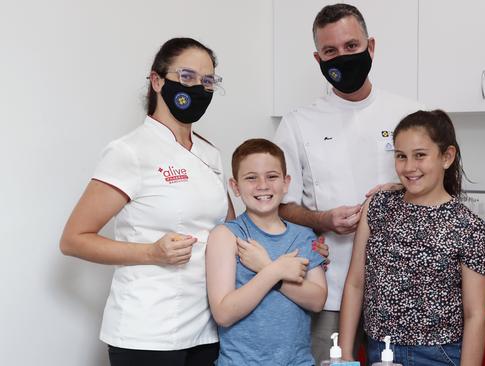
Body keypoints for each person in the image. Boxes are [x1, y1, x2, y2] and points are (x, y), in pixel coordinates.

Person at [59, 37, 234, 366]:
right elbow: (73, 240)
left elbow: (229, 231)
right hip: (147, 332)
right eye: (187, 77)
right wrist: (150, 252)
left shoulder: (211, 154)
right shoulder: (130, 151)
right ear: (157, 81)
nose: (199, 87)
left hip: (207, 329)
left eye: (207, 81)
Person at [273, 4, 424, 363]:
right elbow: (280, 207)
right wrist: (322, 220)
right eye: (330, 51)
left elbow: (440, 191)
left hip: (400, 289)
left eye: (351, 46)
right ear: (318, 57)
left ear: (371, 47)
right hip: (329, 289)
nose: (342, 57)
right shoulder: (297, 124)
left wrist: (403, 190)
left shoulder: (411, 115)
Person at [338, 110, 485, 366]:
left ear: (447, 156)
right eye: (401, 156)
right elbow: (356, 283)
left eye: (420, 155)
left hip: (438, 355)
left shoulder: (469, 227)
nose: (409, 167)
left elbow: (475, 314)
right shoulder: (378, 206)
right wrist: (344, 355)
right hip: (380, 351)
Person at [206, 138, 327, 365]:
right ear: (235, 187)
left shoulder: (304, 236)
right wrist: (275, 271)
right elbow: (223, 313)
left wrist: (265, 266)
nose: (263, 185)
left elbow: (317, 299)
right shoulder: (226, 236)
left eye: (271, 176)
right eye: (251, 178)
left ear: (285, 183)